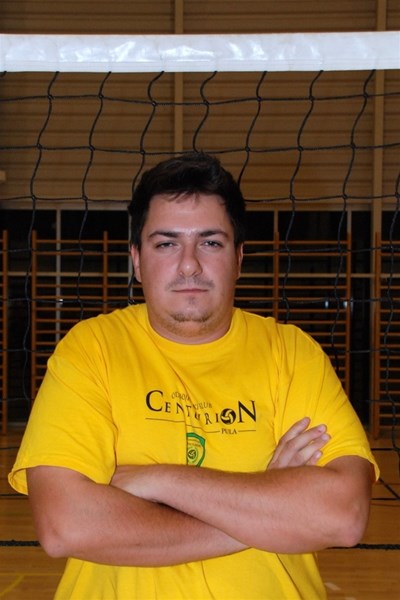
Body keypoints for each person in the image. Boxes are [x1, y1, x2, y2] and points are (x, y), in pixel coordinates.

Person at [9, 152, 378, 600]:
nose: (189, 265)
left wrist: (159, 480)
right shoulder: (91, 350)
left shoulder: (293, 354)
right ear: (137, 260)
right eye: (166, 244)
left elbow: (342, 516)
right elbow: (65, 526)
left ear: (238, 258)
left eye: (211, 243)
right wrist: (263, 511)